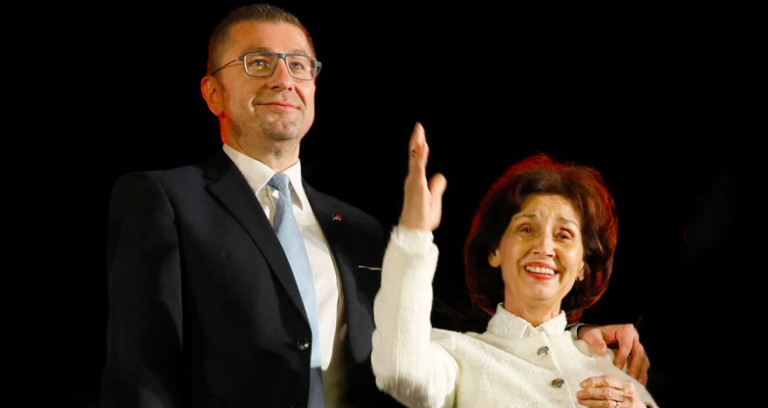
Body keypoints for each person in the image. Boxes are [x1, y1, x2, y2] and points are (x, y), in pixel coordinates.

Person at [101, 4, 650, 408]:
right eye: (258, 62)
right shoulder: (166, 200)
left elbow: (450, 334)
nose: (284, 79)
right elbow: (139, 369)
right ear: (212, 92)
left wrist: (577, 336)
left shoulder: (358, 229)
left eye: (300, 65)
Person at [372, 125, 657, 407]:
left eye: (564, 235)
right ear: (495, 251)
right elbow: (400, 370)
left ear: (583, 266)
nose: (544, 247)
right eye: (526, 229)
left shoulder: (616, 360)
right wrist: (414, 233)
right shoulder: (458, 355)